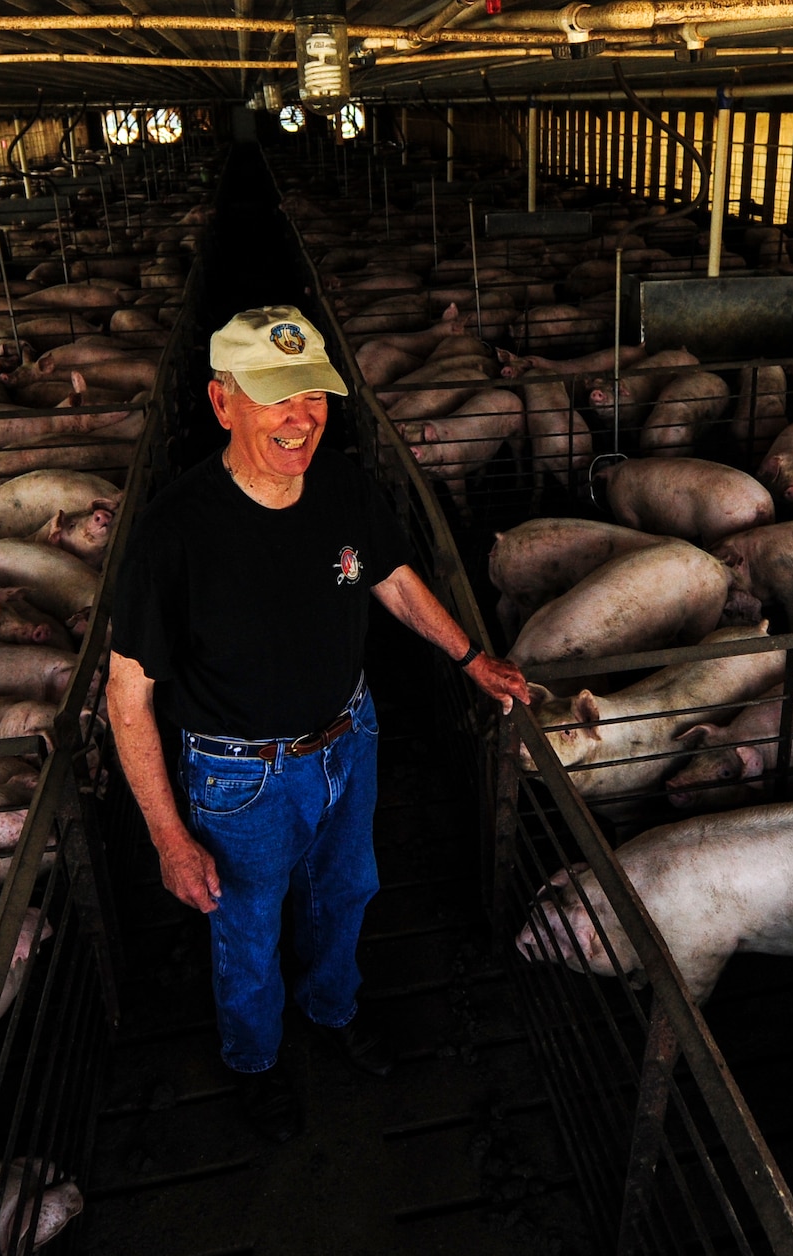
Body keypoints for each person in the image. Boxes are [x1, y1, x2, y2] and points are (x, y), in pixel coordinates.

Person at [107, 305, 528, 1142]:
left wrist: (468, 655)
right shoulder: (172, 533)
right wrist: (166, 835)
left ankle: (334, 1007)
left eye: (313, 393)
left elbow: (393, 577)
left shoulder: (340, 483)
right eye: (274, 395)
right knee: (248, 923)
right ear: (222, 402)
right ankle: (255, 1057)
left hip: (349, 737)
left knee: (349, 887)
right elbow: (127, 697)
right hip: (239, 771)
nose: (300, 416)